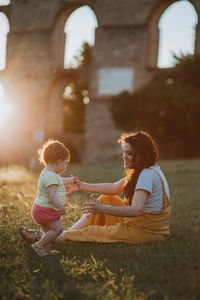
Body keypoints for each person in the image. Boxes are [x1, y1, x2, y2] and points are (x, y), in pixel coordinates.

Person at [20, 131, 171, 247]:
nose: (124, 156)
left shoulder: (146, 175)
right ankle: (63, 235)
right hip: (139, 223)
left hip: (145, 231)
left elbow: (136, 210)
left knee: (93, 232)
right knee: (107, 198)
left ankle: (43, 236)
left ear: (141, 155)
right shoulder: (145, 170)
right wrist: (81, 186)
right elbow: (114, 188)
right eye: (124, 152)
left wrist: (102, 209)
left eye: (129, 153)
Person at [19, 139, 76, 256]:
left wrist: (70, 181)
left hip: (40, 209)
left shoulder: (47, 173)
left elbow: (59, 181)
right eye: (65, 163)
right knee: (57, 230)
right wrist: (60, 206)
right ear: (59, 162)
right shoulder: (51, 176)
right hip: (47, 210)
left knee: (49, 232)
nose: (65, 167)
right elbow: (52, 194)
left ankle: (46, 251)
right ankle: (38, 245)